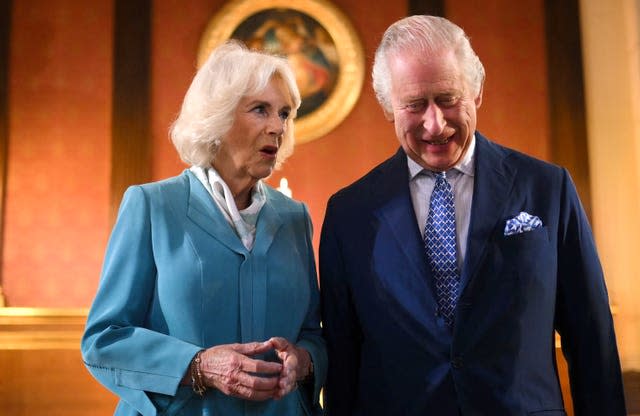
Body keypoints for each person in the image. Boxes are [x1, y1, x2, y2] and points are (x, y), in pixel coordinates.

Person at [319, 15, 626, 415]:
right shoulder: (349, 214)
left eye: (448, 99)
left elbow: (592, 340)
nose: (435, 124)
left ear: (476, 91)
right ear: (387, 106)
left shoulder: (548, 188)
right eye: (414, 105)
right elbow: (343, 360)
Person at [81, 40, 326, 416]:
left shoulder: (296, 218)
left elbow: (314, 333)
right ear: (220, 116)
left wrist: (304, 359)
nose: (278, 127)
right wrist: (199, 365)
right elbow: (105, 340)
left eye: (285, 113)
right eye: (261, 110)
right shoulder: (152, 206)